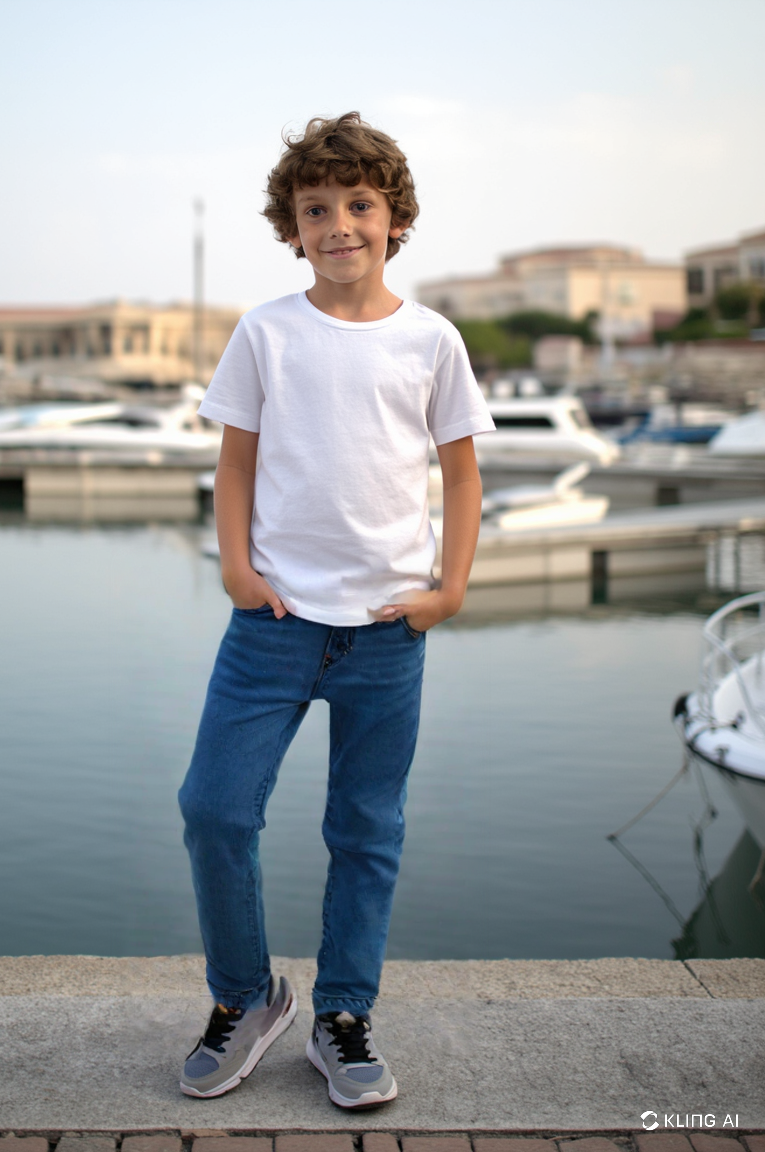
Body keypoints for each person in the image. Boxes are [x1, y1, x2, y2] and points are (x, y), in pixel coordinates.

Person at [178, 111, 493, 1109]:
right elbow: (236, 465)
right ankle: (245, 997)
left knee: (365, 831)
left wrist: (449, 589)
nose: (339, 225)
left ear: (393, 218)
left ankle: (342, 1017)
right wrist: (237, 571)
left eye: (359, 204)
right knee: (214, 810)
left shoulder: (431, 340)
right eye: (316, 209)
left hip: (387, 633)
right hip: (270, 627)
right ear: (292, 228)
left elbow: (460, 475)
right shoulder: (266, 332)